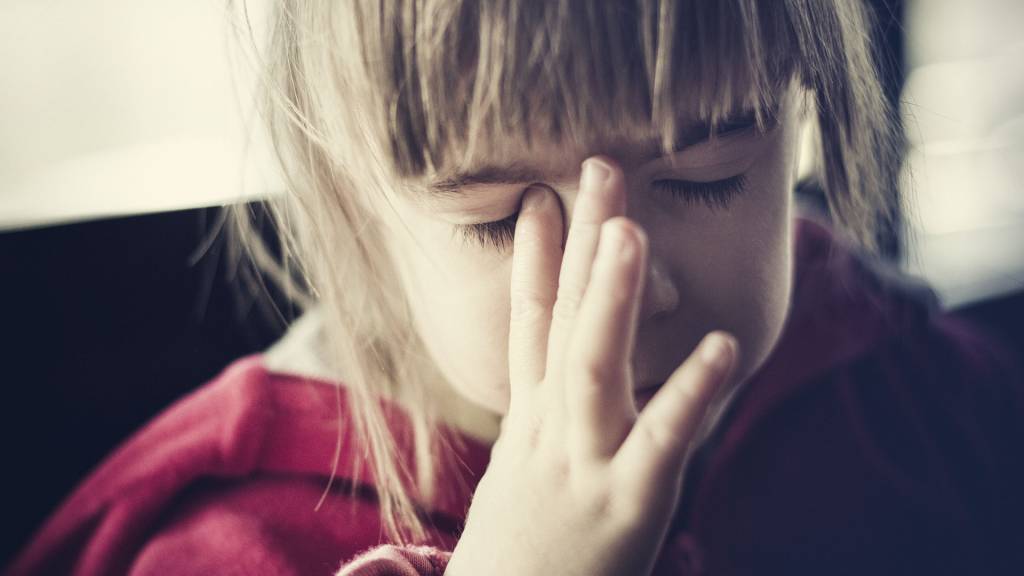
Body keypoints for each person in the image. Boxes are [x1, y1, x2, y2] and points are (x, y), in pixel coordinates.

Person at [7, 1, 1022, 575]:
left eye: (704, 179)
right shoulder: (231, 545)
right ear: (356, 199)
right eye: (499, 218)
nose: (623, 278)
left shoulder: (900, 385)